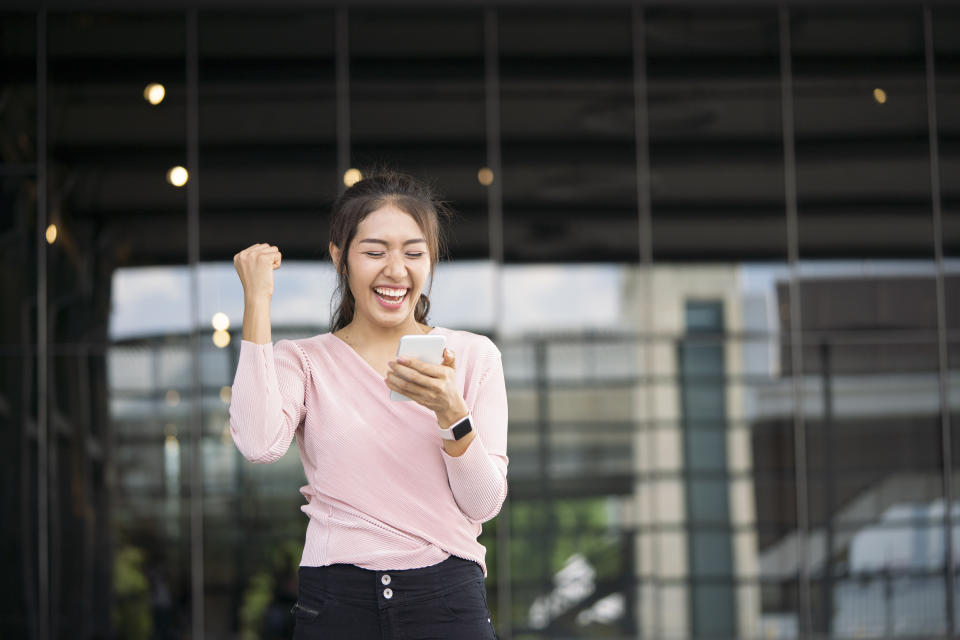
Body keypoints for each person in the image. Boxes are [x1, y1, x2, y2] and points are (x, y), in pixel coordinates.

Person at [229, 171, 508, 640]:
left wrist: (451, 415)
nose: (396, 271)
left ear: (431, 260)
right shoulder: (306, 362)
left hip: (445, 598)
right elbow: (258, 444)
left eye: (414, 253)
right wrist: (257, 301)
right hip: (336, 601)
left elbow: (483, 503)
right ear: (340, 258)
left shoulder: (473, 357)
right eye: (375, 252)